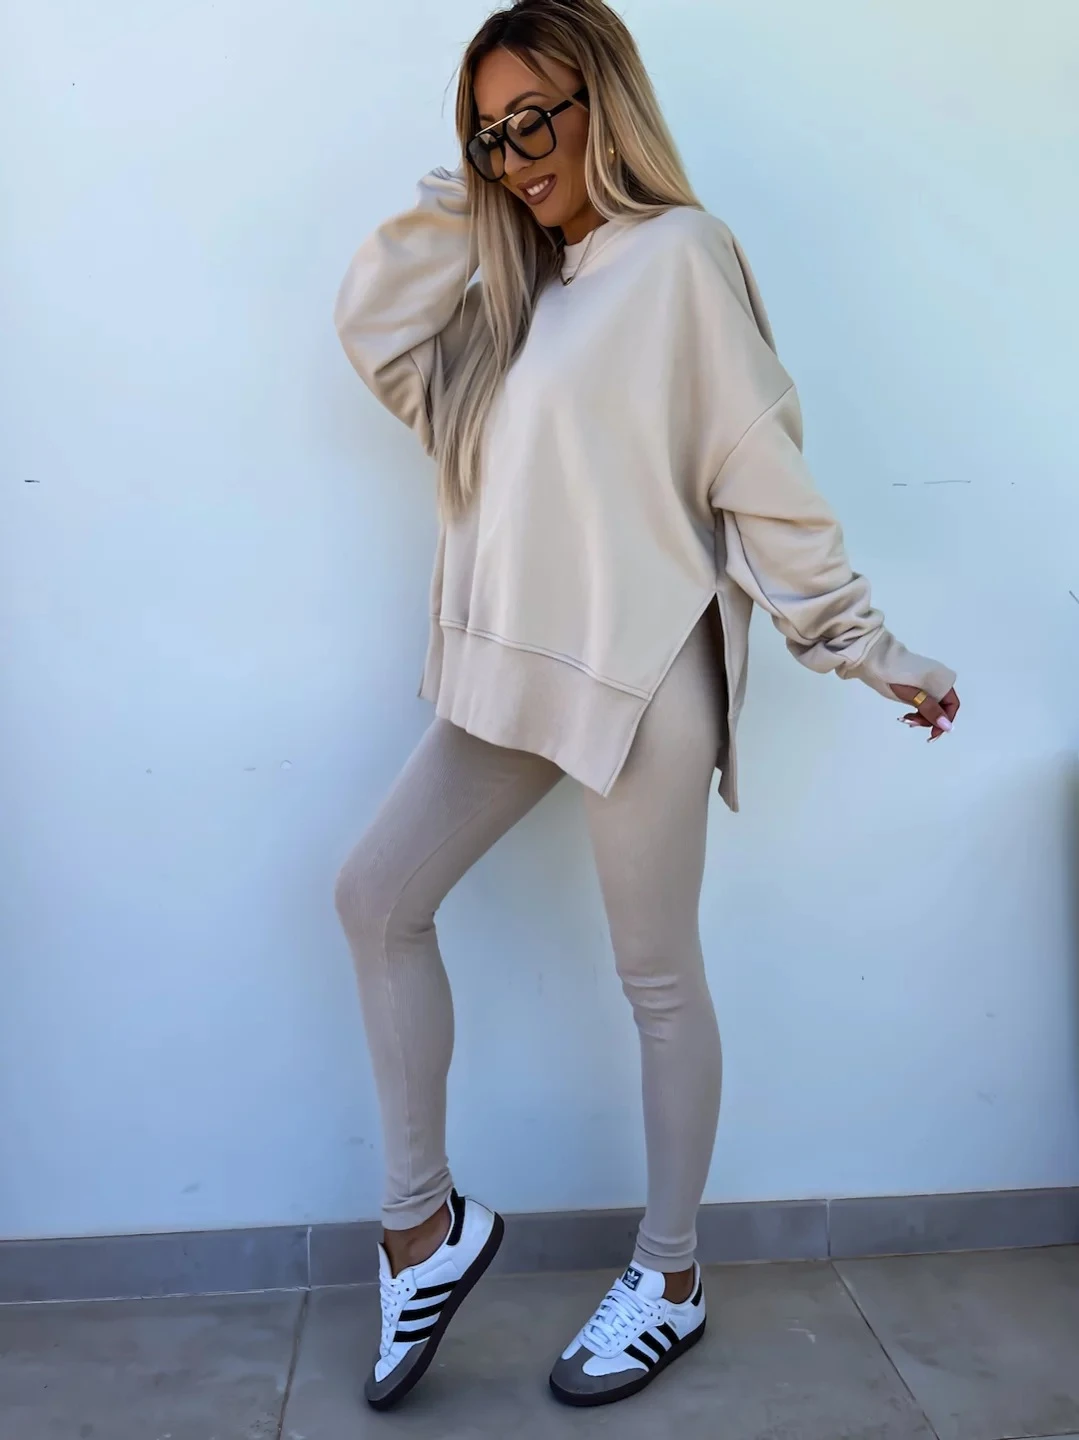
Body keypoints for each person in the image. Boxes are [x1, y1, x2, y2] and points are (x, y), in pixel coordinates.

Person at [332, 0, 960, 1412]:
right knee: (374, 898)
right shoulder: (518, 290)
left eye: (532, 122)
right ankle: (423, 1229)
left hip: (644, 675)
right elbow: (375, 336)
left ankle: (669, 1277)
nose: (515, 159)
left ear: (602, 100)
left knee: (656, 980)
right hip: (514, 667)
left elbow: (757, 468)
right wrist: (466, 195)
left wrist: (865, 646)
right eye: (488, 136)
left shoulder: (679, 256)